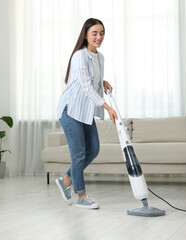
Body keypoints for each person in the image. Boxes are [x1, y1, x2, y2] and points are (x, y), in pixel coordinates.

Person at [55, 18, 118, 209]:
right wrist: (107, 107)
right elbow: (85, 86)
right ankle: (81, 195)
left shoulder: (100, 57)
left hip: (85, 111)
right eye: (94, 33)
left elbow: (92, 82)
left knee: (94, 149)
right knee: (79, 153)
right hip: (70, 110)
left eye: (102, 33)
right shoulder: (79, 56)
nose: (99, 37)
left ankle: (66, 179)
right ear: (86, 35)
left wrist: (103, 81)